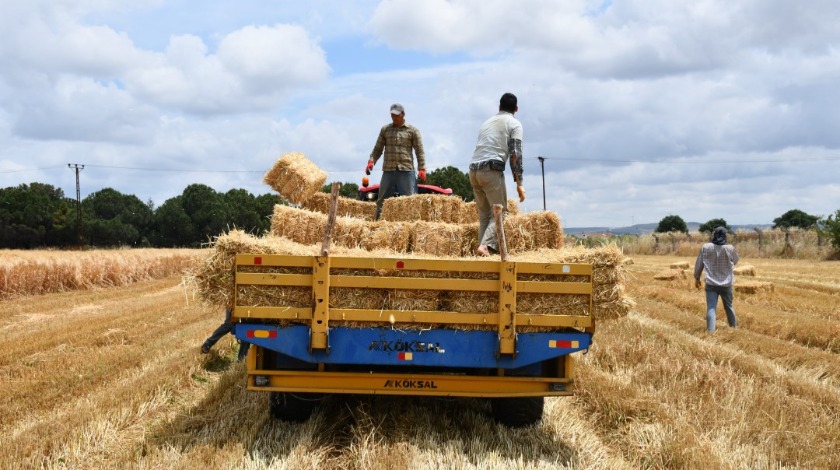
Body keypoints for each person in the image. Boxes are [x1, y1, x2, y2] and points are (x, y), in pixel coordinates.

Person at [468, 92, 526, 257]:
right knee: (500, 212)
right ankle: (485, 247)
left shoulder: (487, 122)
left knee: (484, 215)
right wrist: (519, 182)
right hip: (491, 170)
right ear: (516, 109)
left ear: (499, 107)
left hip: (473, 170)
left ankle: (481, 254)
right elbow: (515, 153)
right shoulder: (514, 124)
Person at [366, 103, 426, 220]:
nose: (394, 117)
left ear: (403, 114)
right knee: (382, 201)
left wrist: (422, 168)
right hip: (389, 170)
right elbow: (378, 148)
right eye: (392, 115)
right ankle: (378, 225)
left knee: (410, 201)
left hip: (406, 170)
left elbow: (420, 151)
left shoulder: (413, 131)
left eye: (396, 115)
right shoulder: (385, 130)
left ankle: (411, 226)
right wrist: (371, 161)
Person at [694, 227, 740, 332]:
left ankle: (711, 331)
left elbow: (699, 265)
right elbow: (736, 260)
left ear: (714, 235)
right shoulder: (729, 248)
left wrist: (697, 278)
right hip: (727, 283)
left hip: (711, 283)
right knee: (729, 306)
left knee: (711, 307)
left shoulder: (706, 247)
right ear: (725, 236)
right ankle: (733, 328)